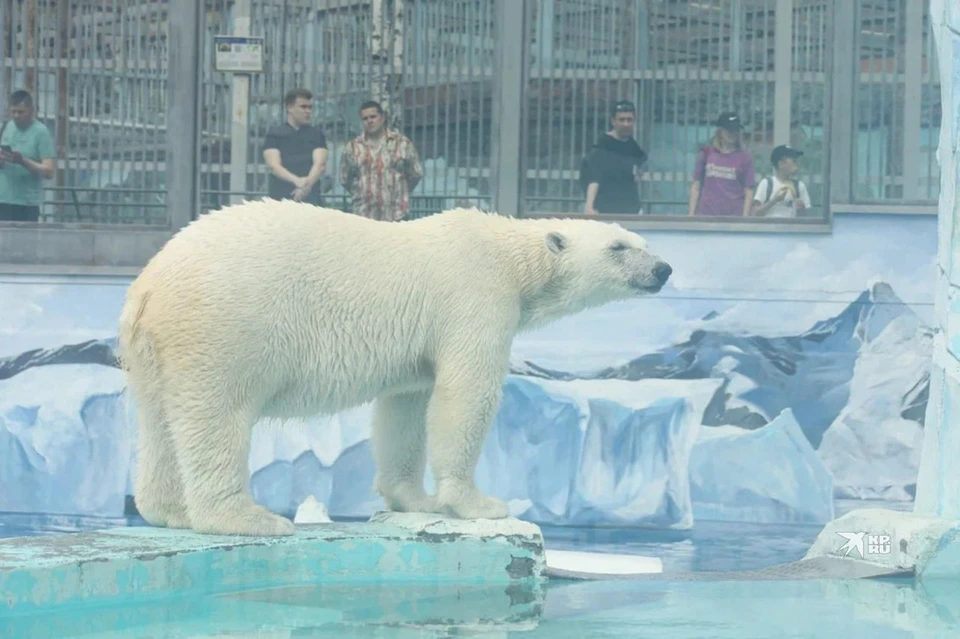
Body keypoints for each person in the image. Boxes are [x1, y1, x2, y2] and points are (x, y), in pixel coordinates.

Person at [339, 100, 422, 221]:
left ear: (382, 118)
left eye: (373, 116)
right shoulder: (352, 147)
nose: (369, 121)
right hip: (364, 216)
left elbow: (415, 173)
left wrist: (399, 190)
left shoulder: (402, 143)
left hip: (397, 215)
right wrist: (362, 191)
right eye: (365, 118)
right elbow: (345, 178)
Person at [262, 88, 329, 205]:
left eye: (310, 107)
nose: (308, 111)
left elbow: (320, 165)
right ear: (289, 108)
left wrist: (305, 186)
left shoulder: (316, 134)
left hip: (310, 200)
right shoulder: (275, 134)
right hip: (280, 199)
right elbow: (273, 166)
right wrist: (297, 181)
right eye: (303, 107)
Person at [580, 100, 647, 215]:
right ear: (613, 121)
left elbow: (641, 163)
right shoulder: (600, 148)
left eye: (629, 120)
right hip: (605, 211)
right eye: (622, 120)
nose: (626, 124)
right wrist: (589, 206)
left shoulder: (633, 147)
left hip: (631, 211)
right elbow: (593, 180)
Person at [0, 90, 55, 222]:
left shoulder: (41, 132)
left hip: (27, 202)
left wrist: (23, 161)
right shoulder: (5, 127)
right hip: (3, 198)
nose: (16, 116)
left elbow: (49, 171)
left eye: (21, 112)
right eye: (13, 112)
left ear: (31, 110)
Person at [688, 112, 755, 217]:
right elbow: (696, 186)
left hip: (733, 218)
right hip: (707, 215)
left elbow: (749, 191)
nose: (733, 133)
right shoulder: (706, 154)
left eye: (735, 130)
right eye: (729, 130)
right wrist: (691, 215)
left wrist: (744, 219)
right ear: (720, 131)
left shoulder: (745, 158)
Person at [751, 144, 811, 218]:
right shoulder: (767, 183)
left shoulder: (799, 186)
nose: (797, 164)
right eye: (794, 161)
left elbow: (806, 218)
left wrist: (802, 209)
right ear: (781, 164)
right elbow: (756, 213)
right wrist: (774, 201)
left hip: (791, 228)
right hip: (769, 228)